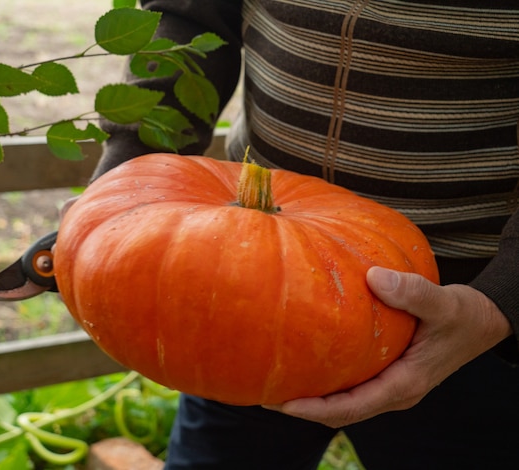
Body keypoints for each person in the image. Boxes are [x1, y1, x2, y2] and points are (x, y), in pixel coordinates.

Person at [76, 1, 519, 468]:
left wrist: (500, 302)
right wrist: (125, 199)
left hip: (462, 316)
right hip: (234, 294)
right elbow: (191, 16)